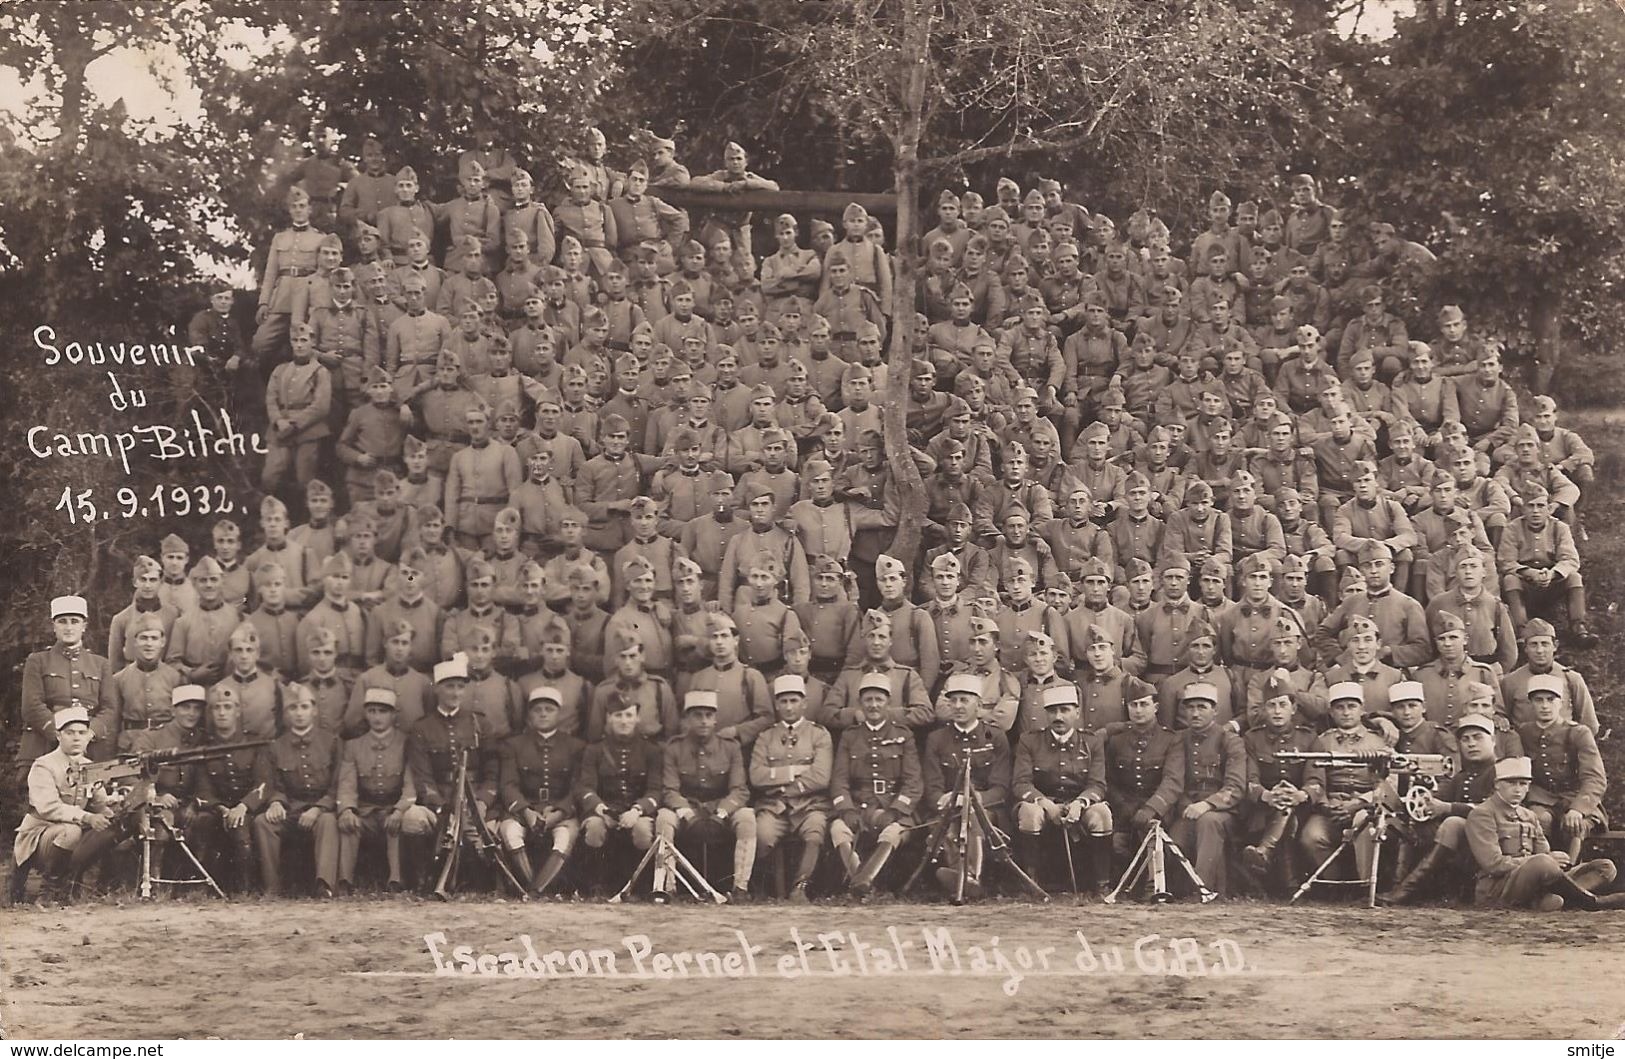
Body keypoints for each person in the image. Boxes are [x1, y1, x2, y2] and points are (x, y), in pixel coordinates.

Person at [1465, 757, 1624, 911]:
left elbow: (1543, 852)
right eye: (1511, 783)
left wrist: (1556, 858)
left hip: (1536, 880)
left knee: (1605, 867)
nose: (1518, 789)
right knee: (1543, 862)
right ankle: (1591, 902)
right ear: (1497, 785)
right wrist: (1542, 860)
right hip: (1499, 889)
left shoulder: (1529, 815)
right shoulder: (1483, 814)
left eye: (1523, 784)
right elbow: (1493, 864)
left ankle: (1548, 900)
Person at [11, 704, 118, 905]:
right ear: (59, 736)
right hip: (39, 835)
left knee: (111, 828)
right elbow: (48, 807)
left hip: (69, 833)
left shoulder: (89, 766)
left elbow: (99, 803)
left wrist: (115, 807)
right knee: (72, 831)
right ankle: (48, 891)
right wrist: (86, 817)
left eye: (82, 732)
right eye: (70, 733)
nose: (77, 738)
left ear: (88, 736)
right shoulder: (44, 765)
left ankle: (73, 885)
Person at [1012, 683, 1114, 894]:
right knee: (1030, 813)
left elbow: (1097, 784)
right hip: (1043, 802)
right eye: (1052, 711)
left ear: (1077, 713)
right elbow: (1021, 782)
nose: (1058, 716)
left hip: (1078, 803)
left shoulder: (1091, 742)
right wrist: (1046, 803)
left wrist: (1080, 803)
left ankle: (1101, 884)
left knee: (1101, 814)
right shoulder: (1029, 741)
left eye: (1064, 710)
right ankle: (1031, 882)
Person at [657, 690, 757, 901]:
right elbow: (670, 790)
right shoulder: (675, 748)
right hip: (687, 809)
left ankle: (740, 888)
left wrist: (721, 813)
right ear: (687, 719)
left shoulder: (730, 748)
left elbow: (739, 789)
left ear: (715, 719)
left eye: (708, 715)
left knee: (747, 817)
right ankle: (667, 887)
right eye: (697, 715)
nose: (703, 721)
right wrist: (687, 814)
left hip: (720, 809)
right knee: (665, 818)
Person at [921, 673, 1012, 900]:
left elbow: (1000, 788)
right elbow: (932, 788)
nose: (958, 706)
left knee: (969, 815)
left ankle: (971, 876)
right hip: (947, 809)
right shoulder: (937, 739)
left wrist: (971, 800)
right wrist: (948, 800)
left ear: (979, 705)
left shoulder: (995, 737)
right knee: (949, 821)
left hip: (986, 811)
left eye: (965, 700)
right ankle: (965, 878)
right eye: (953, 700)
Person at [251, 682, 342, 897]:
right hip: (291, 808)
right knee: (262, 822)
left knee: (328, 822)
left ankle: (324, 885)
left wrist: (319, 808)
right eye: (293, 708)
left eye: (304, 707)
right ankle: (272, 887)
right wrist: (276, 802)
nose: (299, 713)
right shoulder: (275, 746)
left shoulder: (332, 742)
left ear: (314, 710)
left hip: (322, 810)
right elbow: (272, 783)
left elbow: (338, 785)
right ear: (285, 713)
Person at [748, 675, 834, 901]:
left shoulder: (819, 734)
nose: (788, 707)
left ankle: (800, 887)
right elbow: (757, 775)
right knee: (762, 834)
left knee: (815, 829)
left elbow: (821, 777)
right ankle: (765, 891)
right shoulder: (766, 737)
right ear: (776, 704)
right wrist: (793, 770)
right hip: (774, 807)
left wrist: (782, 786)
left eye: (794, 701)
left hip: (809, 806)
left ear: (804, 703)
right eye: (783, 701)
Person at [337, 687, 428, 893]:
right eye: (372, 711)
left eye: (383, 711)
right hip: (366, 809)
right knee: (348, 824)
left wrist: (400, 809)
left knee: (396, 825)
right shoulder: (354, 746)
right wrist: (347, 809)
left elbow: (410, 782)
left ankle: (395, 881)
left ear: (394, 715)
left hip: (392, 807)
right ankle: (344, 882)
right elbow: (347, 783)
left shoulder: (406, 742)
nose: (377, 717)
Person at [497, 685, 586, 895]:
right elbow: (508, 785)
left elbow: (578, 786)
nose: (543, 714)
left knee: (565, 836)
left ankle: (537, 889)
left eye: (549, 709)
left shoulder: (575, 746)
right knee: (510, 832)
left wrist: (561, 811)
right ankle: (529, 885)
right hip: (524, 810)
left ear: (559, 713)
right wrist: (525, 811)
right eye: (537, 710)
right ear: (529, 715)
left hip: (561, 811)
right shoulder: (514, 745)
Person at [19, 595, 114, 778]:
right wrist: (59, 734)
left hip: (88, 746)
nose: (69, 627)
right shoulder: (37, 661)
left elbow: (110, 708)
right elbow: (31, 706)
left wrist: (88, 734)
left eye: (74, 621)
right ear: (53, 626)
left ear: (84, 626)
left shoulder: (100, 664)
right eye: (62, 621)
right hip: (45, 743)